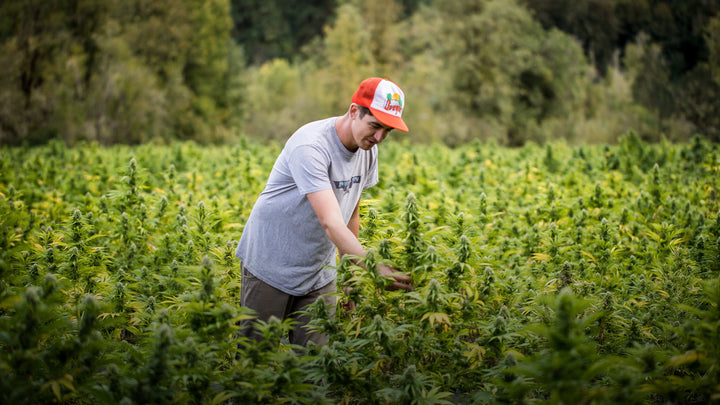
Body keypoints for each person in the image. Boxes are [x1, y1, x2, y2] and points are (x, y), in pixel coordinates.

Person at [235, 77, 413, 346]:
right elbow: (331, 221)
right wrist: (372, 269)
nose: (379, 138)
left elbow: (350, 212)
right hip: (271, 265)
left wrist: (351, 273)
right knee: (255, 361)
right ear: (354, 111)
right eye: (375, 126)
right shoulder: (311, 146)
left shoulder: (368, 150)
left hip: (319, 272)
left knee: (315, 367)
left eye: (388, 131)